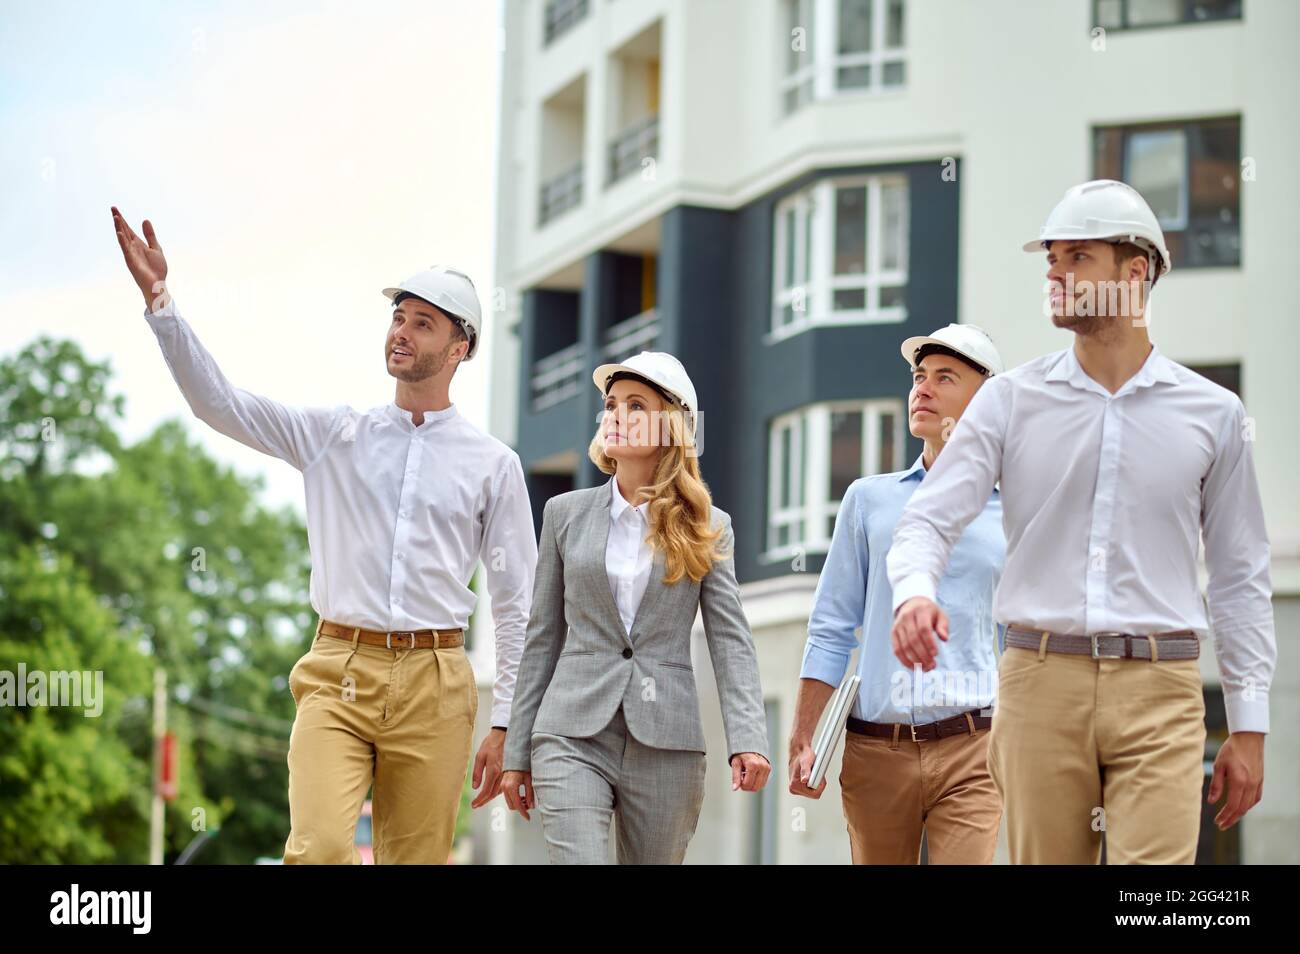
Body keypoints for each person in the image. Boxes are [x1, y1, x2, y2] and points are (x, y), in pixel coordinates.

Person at [111, 207, 538, 864]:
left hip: (437, 681)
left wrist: (507, 721)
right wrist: (161, 303)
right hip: (338, 667)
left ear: (460, 349)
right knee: (318, 849)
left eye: (422, 323)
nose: (401, 331)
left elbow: (517, 606)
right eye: (398, 317)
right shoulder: (334, 435)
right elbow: (220, 404)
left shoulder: (494, 466)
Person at [887, 180, 1274, 864]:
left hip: (1162, 688)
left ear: (1135, 271)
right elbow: (928, 519)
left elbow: (1240, 574)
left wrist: (1249, 723)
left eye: (1077, 258)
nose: (1056, 275)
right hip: (1038, 684)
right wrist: (915, 592)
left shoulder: (1214, 413)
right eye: (1052, 260)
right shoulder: (1010, 401)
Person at [501, 351, 771, 864]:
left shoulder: (709, 526)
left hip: (667, 742)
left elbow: (730, 640)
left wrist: (749, 738)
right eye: (611, 405)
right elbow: (542, 638)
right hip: (570, 733)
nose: (616, 415)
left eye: (636, 405)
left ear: (671, 426)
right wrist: (517, 751)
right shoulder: (563, 515)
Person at [789, 325, 1007, 864]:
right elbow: (832, 625)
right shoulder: (869, 500)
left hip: (976, 748)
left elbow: (1020, 639)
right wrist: (803, 734)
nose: (922, 389)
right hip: (876, 749)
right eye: (918, 376)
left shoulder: (1015, 509)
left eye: (945, 378)